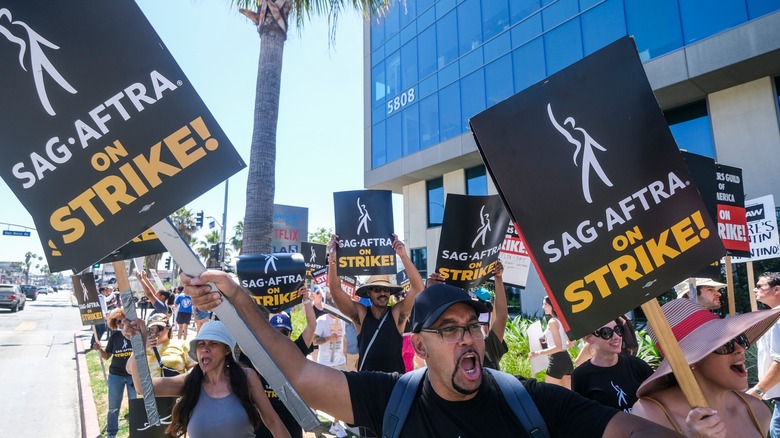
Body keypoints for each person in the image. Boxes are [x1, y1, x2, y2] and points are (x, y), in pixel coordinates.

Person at [182, 270, 689, 437]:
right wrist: (234, 294)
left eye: (471, 326)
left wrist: (691, 425)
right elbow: (295, 371)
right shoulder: (390, 401)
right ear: (419, 345)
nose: (466, 337)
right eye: (449, 329)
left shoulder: (533, 403)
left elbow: (626, 431)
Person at [632, 298, 780, 436]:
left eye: (739, 338)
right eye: (724, 345)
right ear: (690, 361)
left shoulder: (755, 410)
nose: (740, 348)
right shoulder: (651, 414)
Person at [123, 320, 290, 437]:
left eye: (213, 343)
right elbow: (143, 388)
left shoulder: (247, 378)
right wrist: (139, 346)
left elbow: (272, 420)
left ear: (226, 350)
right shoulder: (190, 382)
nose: (205, 349)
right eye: (201, 344)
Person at [327, 233, 424, 373]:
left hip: (394, 382)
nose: (382, 293)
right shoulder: (360, 315)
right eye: (377, 289)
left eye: (386, 289)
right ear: (368, 292)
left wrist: (403, 255)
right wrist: (333, 259)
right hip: (367, 383)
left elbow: (418, 288)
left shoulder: (397, 314)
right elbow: (335, 290)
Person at [247, 285, 317, 438]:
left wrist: (306, 301)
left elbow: (312, 326)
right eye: (276, 332)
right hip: (263, 422)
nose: (280, 336)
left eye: (284, 332)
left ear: (290, 334)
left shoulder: (296, 351)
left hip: (291, 422)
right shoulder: (258, 354)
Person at [427, 260, 509, 370]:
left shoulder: (489, 348)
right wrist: (430, 292)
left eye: (473, 325)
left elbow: (501, 317)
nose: (467, 338)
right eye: (452, 328)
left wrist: (498, 278)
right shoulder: (444, 354)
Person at [571, 319, 653, 413]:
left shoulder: (636, 364)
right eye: (606, 332)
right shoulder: (580, 376)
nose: (616, 336)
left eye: (618, 330)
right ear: (589, 339)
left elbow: (659, 396)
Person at [92, 308, 136, 438]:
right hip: (116, 375)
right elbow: (107, 356)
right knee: (113, 405)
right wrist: (99, 349)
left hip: (133, 376)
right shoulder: (114, 337)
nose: (121, 324)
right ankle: (111, 433)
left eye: (124, 321)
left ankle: (135, 430)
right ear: (114, 324)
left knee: (135, 404)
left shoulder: (136, 335)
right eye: (118, 322)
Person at [747, 272, 780, 437]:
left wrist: (758, 391)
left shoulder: (777, 319)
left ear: (777, 290)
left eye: (760, 286)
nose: (754, 289)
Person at [126, 313, 196, 380]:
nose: (155, 332)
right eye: (151, 329)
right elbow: (129, 369)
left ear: (168, 328)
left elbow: (194, 368)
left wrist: (184, 381)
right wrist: (142, 348)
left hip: (175, 390)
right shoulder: (143, 346)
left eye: (159, 328)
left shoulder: (181, 344)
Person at [314, 304, 349, 438]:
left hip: (339, 363)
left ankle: (336, 425)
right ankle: (312, 411)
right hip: (325, 363)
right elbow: (314, 340)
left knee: (340, 395)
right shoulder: (322, 320)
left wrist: (344, 357)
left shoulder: (342, 320)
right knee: (321, 394)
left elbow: (343, 339)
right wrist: (329, 338)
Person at [529, 296, 574, 389]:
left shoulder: (552, 322)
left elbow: (558, 347)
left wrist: (538, 353)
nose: (543, 307)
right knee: (569, 397)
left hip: (557, 360)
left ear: (553, 306)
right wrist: (549, 342)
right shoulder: (562, 320)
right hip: (567, 361)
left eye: (545, 304)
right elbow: (570, 344)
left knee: (551, 395)